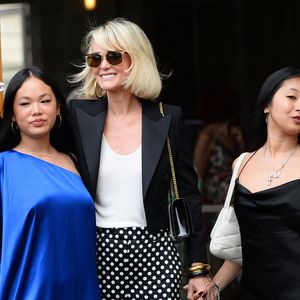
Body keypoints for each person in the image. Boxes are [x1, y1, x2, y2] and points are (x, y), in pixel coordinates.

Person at [68, 17, 211, 300]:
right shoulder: (78, 117)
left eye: (113, 56)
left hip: (155, 255)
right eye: (95, 58)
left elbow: (189, 195)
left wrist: (198, 269)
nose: (104, 65)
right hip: (96, 253)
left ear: (136, 59)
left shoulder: (168, 118)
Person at [193, 66, 300, 300]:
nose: (299, 105)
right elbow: (243, 248)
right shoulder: (241, 164)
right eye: (291, 97)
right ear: (267, 105)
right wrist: (214, 288)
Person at [0, 67, 101, 299]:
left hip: (80, 288)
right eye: (25, 104)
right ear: (13, 114)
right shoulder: (4, 166)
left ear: (57, 108)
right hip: (28, 290)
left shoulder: (76, 161)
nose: (37, 111)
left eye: (45, 101)